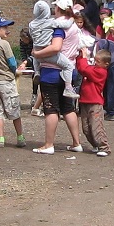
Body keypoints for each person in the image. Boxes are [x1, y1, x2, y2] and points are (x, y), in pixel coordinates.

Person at [32, 8, 83, 153]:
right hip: (69, 72)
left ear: (58, 9)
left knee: (51, 109)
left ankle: (49, 145)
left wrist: (37, 54)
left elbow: (56, 47)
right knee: (68, 108)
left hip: (51, 73)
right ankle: (76, 143)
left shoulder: (57, 27)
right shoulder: (74, 26)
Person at [0, 17, 26, 148]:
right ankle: (20, 137)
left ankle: (1, 138)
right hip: (6, 80)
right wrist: (15, 71)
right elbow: (12, 62)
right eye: (5, 28)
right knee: (14, 108)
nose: (7, 30)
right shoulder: (4, 44)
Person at [28, 0, 78, 98]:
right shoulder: (51, 22)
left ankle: (37, 72)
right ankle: (68, 88)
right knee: (68, 66)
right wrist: (72, 19)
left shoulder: (31, 24)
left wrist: (37, 54)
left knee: (35, 57)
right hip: (48, 52)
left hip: (37, 50)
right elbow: (66, 25)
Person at [76, 46, 111, 156]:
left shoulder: (101, 72)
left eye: (98, 61)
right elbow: (81, 68)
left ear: (106, 64)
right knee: (86, 127)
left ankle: (104, 147)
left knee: (96, 126)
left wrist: (84, 58)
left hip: (95, 103)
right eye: (95, 60)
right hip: (84, 102)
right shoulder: (93, 69)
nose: (95, 63)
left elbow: (85, 69)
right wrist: (80, 57)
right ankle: (95, 144)